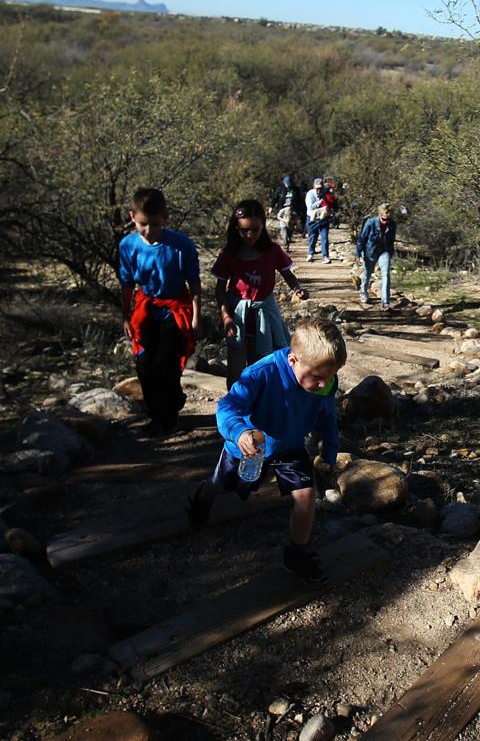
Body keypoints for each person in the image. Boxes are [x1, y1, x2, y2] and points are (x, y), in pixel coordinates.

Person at [186, 318, 347, 586]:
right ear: (293, 361)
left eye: (330, 377)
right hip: (251, 445)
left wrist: (330, 450)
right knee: (221, 484)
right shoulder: (263, 373)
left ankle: (296, 554)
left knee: (306, 496)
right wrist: (239, 432)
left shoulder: (325, 382)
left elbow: (326, 416)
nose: (324, 385)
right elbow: (228, 406)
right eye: (318, 378)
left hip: (291, 445)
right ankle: (202, 498)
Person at [117, 187, 202, 436]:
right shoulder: (128, 245)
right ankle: (157, 415)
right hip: (146, 309)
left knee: (167, 362)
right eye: (143, 224)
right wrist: (125, 315)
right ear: (133, 216)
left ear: (164, 218)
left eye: (155, 224)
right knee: (144, 364)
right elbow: (127, 284)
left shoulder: (181, 245)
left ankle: (168, 416)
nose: (149, 230)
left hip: (176, 309)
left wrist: (196, 316)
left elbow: (194, 283)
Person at [212, 199, 309, 388]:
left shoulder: (272, 251)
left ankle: (261, 410)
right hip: (238, 316)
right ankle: (236, 408)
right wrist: (225, 317)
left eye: (255, 230)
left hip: (265, 313)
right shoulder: (229, 254)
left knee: (262, 365)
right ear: (235, 229)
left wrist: (297, 288)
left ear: (263, 226)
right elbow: (220, 288)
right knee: (236, 370)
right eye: (244, 230)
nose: (249, 235)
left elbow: (287, 274)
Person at [356, 203, 399, 310]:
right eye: (384, 218)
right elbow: (362, 238)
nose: (386, 221)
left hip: (385, 251)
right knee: (368, 272)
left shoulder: (393, 224)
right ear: (380, 214)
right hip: (371, 251)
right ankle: (363, 291)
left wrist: (391, 253)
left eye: (388, 219)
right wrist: (358, 254)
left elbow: (392, 240)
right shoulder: (371, 223)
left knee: (386, 274)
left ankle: (385, 302)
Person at [268, 175, 303, 249]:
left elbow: (299, 200)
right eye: (287, 184)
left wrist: (300, 211)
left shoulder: (296, 189)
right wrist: (271, 207)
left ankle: (288, 239)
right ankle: (285, 243)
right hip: (282, 209)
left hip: (292, 210)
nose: (288, 185)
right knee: (283, 227)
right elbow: (275, 198)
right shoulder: (280, 190)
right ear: (284, 183)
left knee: (290, 228)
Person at [305, 177, 330, 263]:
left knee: (325, 237)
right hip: (312, 218)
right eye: (317, 188)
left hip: (323, 218)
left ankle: (325, 256)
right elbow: (310, 207)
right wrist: (321, 201)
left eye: (320, 188)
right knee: (312, 237)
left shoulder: (325, 193)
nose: (319, 190)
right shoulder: (310, 194)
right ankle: (311, 253)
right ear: (314, 187)